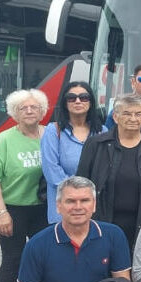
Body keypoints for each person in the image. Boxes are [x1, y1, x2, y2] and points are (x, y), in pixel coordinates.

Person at [0, 88, 49, 282]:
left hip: (42, 208)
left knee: (44, 259)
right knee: (13, 260)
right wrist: (1, 213)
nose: (30, 111)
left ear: (43, 111)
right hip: (13, 208)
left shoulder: (50, 135)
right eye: (24, 108)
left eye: (34, 107)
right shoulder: (4, 139)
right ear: (15, 113)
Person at [77, 93, 141, 252]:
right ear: (115, 116)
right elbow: (81, 183)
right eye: (127, 113)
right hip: (103, 221)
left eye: (138, 114)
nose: (133, 119)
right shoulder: (96, 145)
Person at [41, 81, 106, 224]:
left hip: (95, 209)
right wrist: (77, 194)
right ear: (64, 103)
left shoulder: (103, 132)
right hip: (64, 208)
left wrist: (88, 197)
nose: (78, 101)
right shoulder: (53, 131)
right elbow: (52, 170)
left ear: (91, 102)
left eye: (84, 97)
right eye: (71, 98)